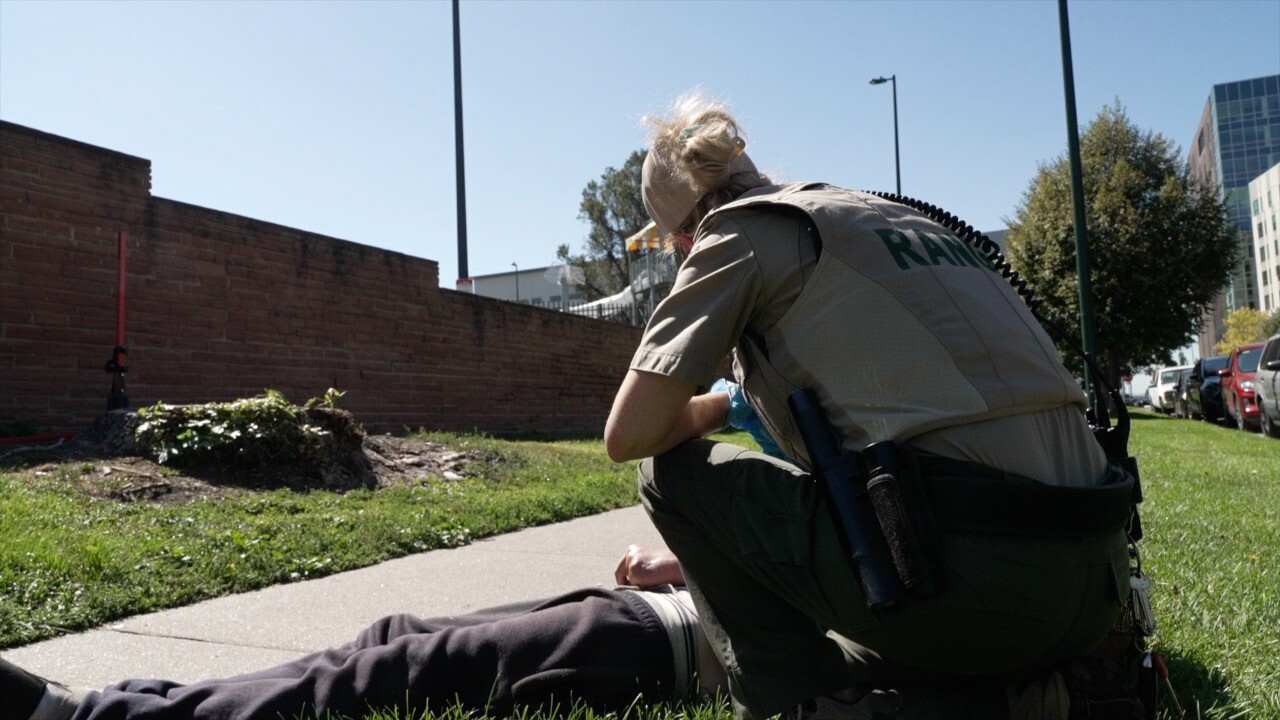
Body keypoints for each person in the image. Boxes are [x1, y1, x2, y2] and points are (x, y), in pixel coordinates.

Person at [605, 92, 1135, 720]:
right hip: (1101, 579)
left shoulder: (738, 232)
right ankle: (1048, 691)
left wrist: (701, 415)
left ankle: (809, 699)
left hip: (987, 591)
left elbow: (628, 434)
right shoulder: (884, 213)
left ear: (680, 235)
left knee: (665, 476)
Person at [2, 559, 727, 720]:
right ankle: (122, 704)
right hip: (662, 603)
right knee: (391, 633)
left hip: (669, 638)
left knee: (395, 676)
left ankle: (92, 719)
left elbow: (631, 433)